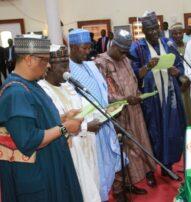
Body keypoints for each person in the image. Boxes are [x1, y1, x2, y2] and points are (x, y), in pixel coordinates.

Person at [0, 34, 83, 202]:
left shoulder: (31, 84)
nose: (48, 65)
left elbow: (38, 120)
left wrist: (62, 118)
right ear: (29, 59)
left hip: (50, 164)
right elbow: (29, 139)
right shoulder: (16, 92)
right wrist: (64, 128)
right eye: (44, 60)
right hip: (38, 173)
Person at [95, 29, 157, 199]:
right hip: (118, 114)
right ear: (113, 45)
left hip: (134, 110)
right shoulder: (101, 63)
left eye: (125, 52)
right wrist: (124, 98)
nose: (124, 54)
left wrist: (137, 94)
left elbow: (133, 80)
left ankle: (128, 184)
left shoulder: (125, 59)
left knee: (135, 149)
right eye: (121, 51)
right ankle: (118, 190)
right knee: (119, 151)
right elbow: (103, 92)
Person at [38, 45, 101, 202]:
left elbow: (83, 110)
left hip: (86, 145)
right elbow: (54, 123)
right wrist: (86, 126)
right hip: (68, 151)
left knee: (91, 187)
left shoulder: (69, 85)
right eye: (63, 65)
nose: (68, 70)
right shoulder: (42, 91)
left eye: (68, 64)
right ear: (49, 65)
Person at [130, 11, 186, 179]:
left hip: (170, 97)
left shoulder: (167, 43)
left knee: (171, 131)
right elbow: (134, 76)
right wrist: (147, 66)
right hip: (151, 99)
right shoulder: (137, 47)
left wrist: (177, 72)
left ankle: (167, 167)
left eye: (156, 29)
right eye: (150, 30)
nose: (154, 32)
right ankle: (150, 171)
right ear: (144, 31)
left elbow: (180, 67)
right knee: (152, 133)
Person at [68, 29, 121, 202]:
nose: (87, 51)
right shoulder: (67, 69)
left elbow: (101, 89)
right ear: (73, 47)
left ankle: (104, 196)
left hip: (103, 121)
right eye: (83, 48)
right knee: (94, 169)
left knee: (106, 166)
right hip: (88, 129)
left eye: (89, 47)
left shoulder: (90, 64)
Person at [170, 22, 191, 126]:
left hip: (190, 83)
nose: (178, 36)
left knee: (190, 110)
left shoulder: (189, 46)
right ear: (172, 35)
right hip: (177, 85)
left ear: (183, 34)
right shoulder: (169, 49)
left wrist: (188, 80)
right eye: (175, 34)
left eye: (180, 33)